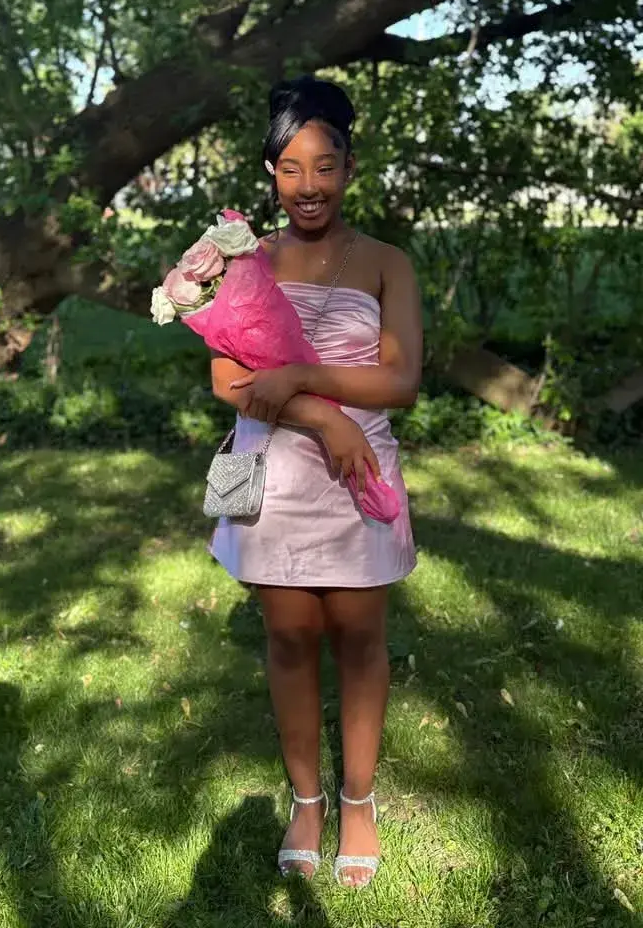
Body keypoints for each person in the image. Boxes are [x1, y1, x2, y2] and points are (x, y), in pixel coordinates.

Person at [208, 75, 422, 888]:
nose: (309, 185)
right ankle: (308, 800)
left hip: (360, 477)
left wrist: (301, 377)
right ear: (271, 173)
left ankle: (358, 802)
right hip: (274, 475)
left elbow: (400, 381)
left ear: (350, 169)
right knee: (290, 637)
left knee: (361, 640)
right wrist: (323, 417)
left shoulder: (386, 262)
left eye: (325, 167)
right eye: (291, 168)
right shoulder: (245, 260)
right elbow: (227, 381)